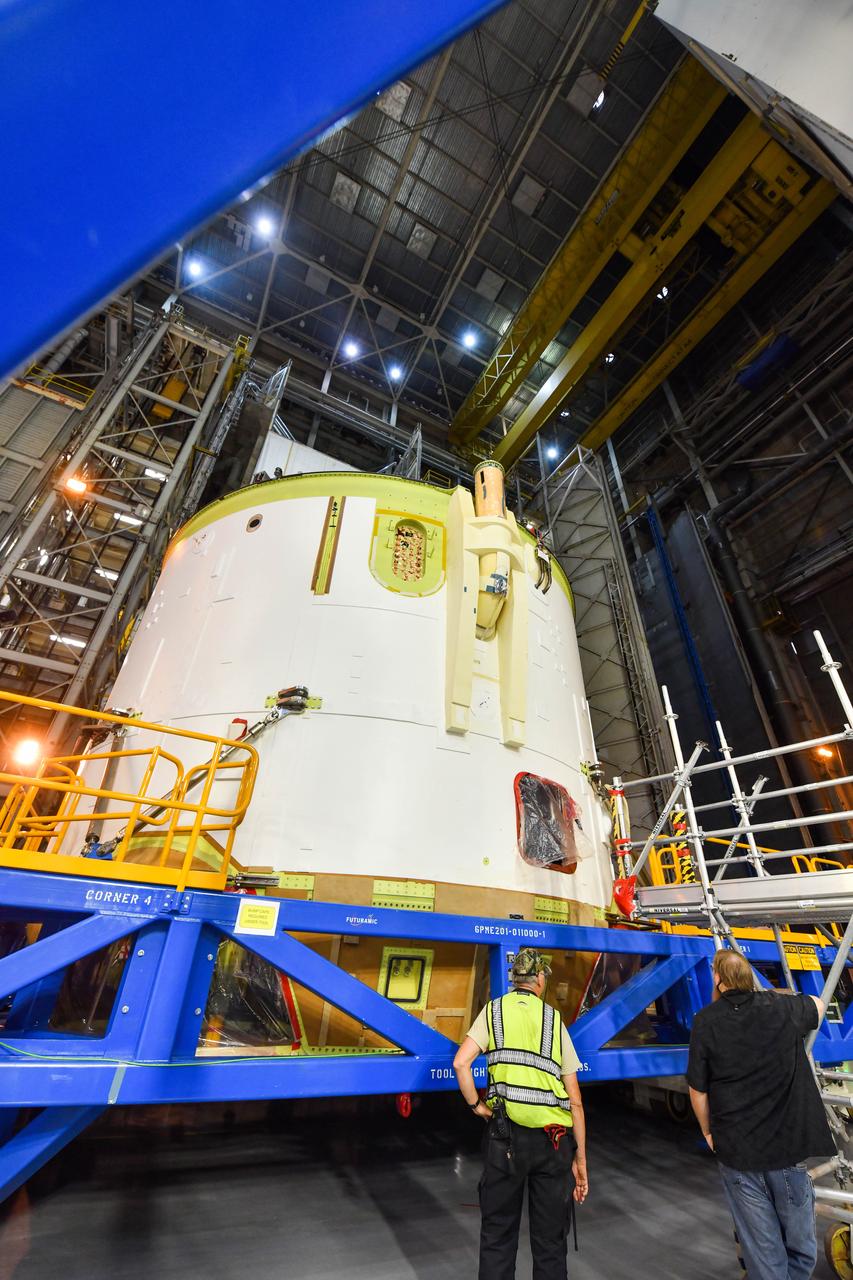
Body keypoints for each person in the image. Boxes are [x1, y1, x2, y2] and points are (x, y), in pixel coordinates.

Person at [687, 948, 835, 1280]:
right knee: (801, 1250)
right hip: (788, 1152)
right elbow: (819, 1004)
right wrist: (773, 994)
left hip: (738, 1153)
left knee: (763, 1253)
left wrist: (708, 1131)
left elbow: (698, 1090)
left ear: (717, 979)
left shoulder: (705, 1021)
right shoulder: (781, 1008)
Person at [453, 947, 588, 1280]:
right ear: (540, 979)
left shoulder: (494, 1012)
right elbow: (575, 1100)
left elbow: (460, 1063)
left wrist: (477, 1106)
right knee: (550, 1243)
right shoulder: (555, 1021)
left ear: (515, 979)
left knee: (498, 1236)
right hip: (553, 1143)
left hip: (505, 1140)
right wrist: (580, 1160)